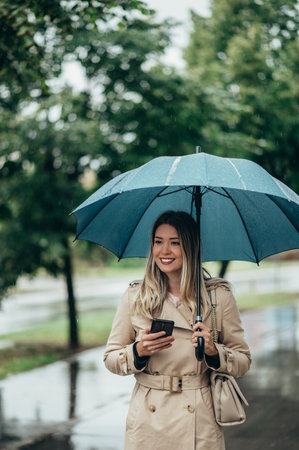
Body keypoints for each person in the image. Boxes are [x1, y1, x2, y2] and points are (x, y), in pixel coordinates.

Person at [104, 210, 251, 450]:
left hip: (199, 420)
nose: (164, 251)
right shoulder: (136, 297)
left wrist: (214, 352)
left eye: (175, 243)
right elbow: (111, 359)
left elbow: (244, 361)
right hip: (148, 420)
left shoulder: (218, 298)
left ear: (191, 247)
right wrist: (139, 351)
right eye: (158, 242)